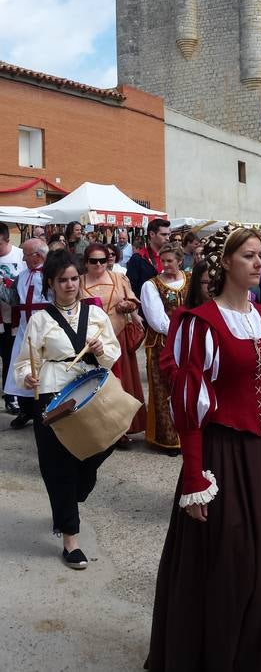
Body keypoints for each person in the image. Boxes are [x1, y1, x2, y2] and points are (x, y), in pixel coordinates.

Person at [144, 227, 261, 672]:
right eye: (249, 256)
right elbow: (190, 410)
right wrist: (196, 477)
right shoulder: (200, 322)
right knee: (234, 565)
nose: (259, 263)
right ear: (225, 263)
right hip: (225, 455)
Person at [14, 250, 120, 569]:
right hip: (52, 396)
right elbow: (22, 363)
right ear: (51, 282)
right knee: (58, 466)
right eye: (63, 280)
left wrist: (102, 351)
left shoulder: (97, 316)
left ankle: (78, 488)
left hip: (91, 393)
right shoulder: (40, 319)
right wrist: (27, 375)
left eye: (74, 278)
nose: (70, 285)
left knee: (106, 442)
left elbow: (112, 355)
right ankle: (71, 540)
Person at [80, 243, 147, 443]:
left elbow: (134, 300)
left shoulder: (119, 278)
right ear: (86, 262)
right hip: (90, 341)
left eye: (103, 259)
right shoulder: (79, 282)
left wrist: (128, 305)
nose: (99, 264)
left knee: (122, 384)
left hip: (118, 337)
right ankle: (98, 429)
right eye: (94, 261)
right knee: (97, 386)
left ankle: (122, 428)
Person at [140, 244, 190, 452]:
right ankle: (167, 439)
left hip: (189, 340)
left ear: (180, 261)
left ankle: (190, 435)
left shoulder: (190, 279)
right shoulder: (151, 285)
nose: (166, 265)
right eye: (163, 260)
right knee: (163, 389)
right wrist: (179, 332)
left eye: (170, 261)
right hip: (162, 343)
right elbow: (155, 318)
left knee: (188, 388)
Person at [0, 238, 49, 429]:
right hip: (24, 330)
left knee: (43, 372)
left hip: (45, 330)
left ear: (37, 256)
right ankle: (26, 410)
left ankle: (42, 412)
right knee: (20, 370)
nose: (23, 258)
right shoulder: (22, 276)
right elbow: (13, 300)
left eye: (25, 255)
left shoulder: (52, 275)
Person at [0, 222, 25, 415]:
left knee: (10, 359)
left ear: (7, 239)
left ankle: (11, 397)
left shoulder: (20, 256)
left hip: (14, 320)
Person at [126, 218, 171, 299]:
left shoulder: (172, 257)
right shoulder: (138, 258)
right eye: (163, 234)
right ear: (152, 234)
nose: (167, 238)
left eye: (168, 234)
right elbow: (130, 288)